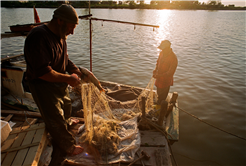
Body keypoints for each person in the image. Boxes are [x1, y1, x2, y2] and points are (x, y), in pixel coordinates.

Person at [24, 4, 84, 165]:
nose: (72, 32)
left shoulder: (60, 35)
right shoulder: (39, 36)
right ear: (59, 21)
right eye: (71, 27)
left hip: (59, 82)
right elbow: (44, 72)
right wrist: (68, 79)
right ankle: (67, 146)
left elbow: (65, 59)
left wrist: (75, 71)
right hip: (42, 84)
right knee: (54, 117)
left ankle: (67, 122)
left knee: (66, 106)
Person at [153, 40, 178, 104]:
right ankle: (159, 102)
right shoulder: (161, 53)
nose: (162, 50)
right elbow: (158, 62)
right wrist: (155, 70)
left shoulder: (173, 58)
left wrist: (159, 75)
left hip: (165, 81)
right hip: (159, 80)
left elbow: (170, 73)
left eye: (164, 49)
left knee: (162, 97)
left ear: (168, 48)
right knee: (158, 94)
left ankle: (161, 106)